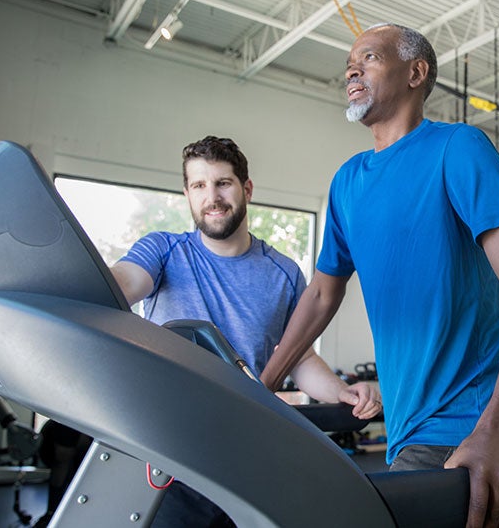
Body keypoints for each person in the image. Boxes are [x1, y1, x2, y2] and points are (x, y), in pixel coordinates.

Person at [260, 23, 499, 528]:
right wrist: (261, 383)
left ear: (415, 73)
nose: (352, 69)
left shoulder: (457, 148)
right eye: (349, 63)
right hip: (404, 425)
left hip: (461, 425)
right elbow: (320, 295)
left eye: (370, 58)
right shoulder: (348, 182)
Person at [110, 135, 381, 527]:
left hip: (246, 453)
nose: (212, 197)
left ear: (246, 189)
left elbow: (299, 356)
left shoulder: (284, 272)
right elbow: (123, 284)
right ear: (187, 193)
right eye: (199, 186)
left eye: (223, 183)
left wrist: (341, 391)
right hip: (169, 451)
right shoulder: (164, 252)